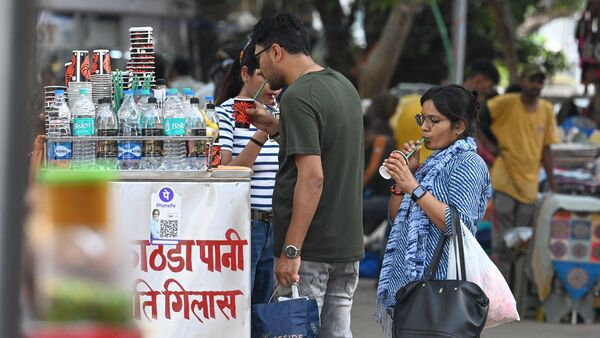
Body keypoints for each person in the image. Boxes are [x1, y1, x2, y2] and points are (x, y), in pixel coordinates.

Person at [246, 13, 364, 337]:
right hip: (346, 246)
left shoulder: (297, 96)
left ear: (276, 51)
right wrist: (275, 127)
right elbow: (330, 147)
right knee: (337, 332)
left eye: (259, 58)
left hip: (309, 250)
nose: (261, 68)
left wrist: (291, 250)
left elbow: (313, 177)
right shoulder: (343, 86)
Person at [376, 85, 492, 332]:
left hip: (440, 287)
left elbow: (457, 224)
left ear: (458, 126)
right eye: (422, 118)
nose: (424, 128)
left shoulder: (469, 163)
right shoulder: (433, 163)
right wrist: (403, 180)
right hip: (412, 287)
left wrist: (414, 186)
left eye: (434, 120)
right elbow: (397, 218)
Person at [215, 41, 280, 310]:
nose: (273, 86)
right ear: (245, 74)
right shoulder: (225, 113)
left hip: (275, 225)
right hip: (243, 223)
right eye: (263, 76)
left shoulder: (279, 114)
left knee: (264, 310)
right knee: (240, 308)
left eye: (275, 78)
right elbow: (225, 172)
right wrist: (261, 134)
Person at [481, 64, 559, 279]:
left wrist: (553, 185)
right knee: (502, 245)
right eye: (532, 80)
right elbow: (477, 116)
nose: (536, 85)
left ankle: (516, 297)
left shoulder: (546, 109)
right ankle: (500, 298)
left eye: (540, 81)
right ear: (523, 81)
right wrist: (490, 145)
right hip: (505, 181)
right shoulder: (507, 103)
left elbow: (547, 150)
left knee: (523, 244)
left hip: (529, 185)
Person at [390, 59, 500, 163]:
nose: (486, 95)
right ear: (478, 80)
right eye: (487, 90)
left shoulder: (412, 103)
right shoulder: (456, 106)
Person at [363, 94, 398, 235]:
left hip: (387, 198)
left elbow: (371, 177)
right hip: (377, 196)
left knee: (354, 208)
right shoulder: (383, 135)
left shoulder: (382, 143)